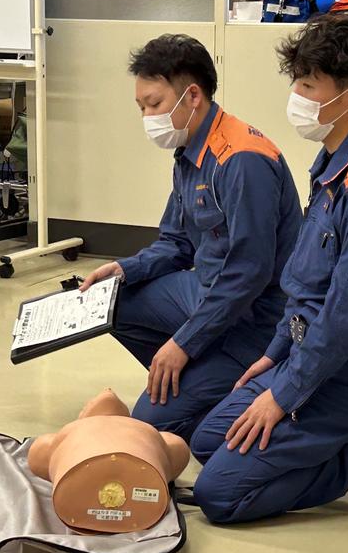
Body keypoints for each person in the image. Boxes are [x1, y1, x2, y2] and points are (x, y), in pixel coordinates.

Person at [190, 16, 348, 523]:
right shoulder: (337, 162)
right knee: (206, 442)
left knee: (219, 496)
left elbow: (346, 318)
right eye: (297, 80)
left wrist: (283, 396)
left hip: (343, 376)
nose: (296, 95)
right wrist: (274, 355)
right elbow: (306, 285)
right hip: (304, 355)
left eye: (308, 85)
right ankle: (343, 438)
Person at [80, 34, 302, 443]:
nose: (147, 117)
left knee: (151, 424)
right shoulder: (190, 151)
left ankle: (229, 381)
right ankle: (194, 376)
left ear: (193, 96)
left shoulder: (241, 161)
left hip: (255, 318)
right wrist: (124, 270)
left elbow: (248, 274)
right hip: (207, 290)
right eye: (141, 107)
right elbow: (177, 242)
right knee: (110, 302)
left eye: (154, 104)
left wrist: (183, 343)